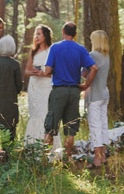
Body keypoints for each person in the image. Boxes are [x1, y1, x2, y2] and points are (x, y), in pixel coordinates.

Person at [42, 21, 96, 162]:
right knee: (70, 129)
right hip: (74, 92)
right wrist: (85, 85)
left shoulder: (55, 48)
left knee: (51, 125)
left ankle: (44, 160)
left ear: (63, 31)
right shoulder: (81, 49)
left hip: (59, 91)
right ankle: (66, 159)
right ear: (75, 34)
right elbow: (94, 68)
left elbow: (47, 71)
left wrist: (56, 69)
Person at [23, 25, 54, 146]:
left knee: (45, 113)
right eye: (35, 34)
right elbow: (26, 71)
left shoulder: (52, 51)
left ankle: (46, 145)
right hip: (34, 87)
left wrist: (43, 74)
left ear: (45, 35)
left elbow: (56, 73)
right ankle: (32, 145)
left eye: (39, 34)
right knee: (35, 114)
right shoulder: (33, 51)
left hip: (46, 86)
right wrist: (33, 73)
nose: (36, 37)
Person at [86, 30, 112, 168]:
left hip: (95, 95)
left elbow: (84, 72)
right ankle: (103, 156)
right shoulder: (105, 56)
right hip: (104, 94)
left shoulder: (93, 55)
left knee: (95, 125)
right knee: (103, 124)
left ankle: (97, 158)